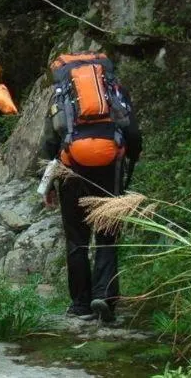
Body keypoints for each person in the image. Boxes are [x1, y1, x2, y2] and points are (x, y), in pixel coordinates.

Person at [41, 52, 142, 323]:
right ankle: (105, 296)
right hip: (110, 168)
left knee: (77, 240)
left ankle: (80, 305)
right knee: (107, 234)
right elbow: (132, 133)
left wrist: (49, 184)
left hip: (71, 168)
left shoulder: (60, 94)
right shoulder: (115, 91)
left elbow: (50, 143)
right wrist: (129, 159)